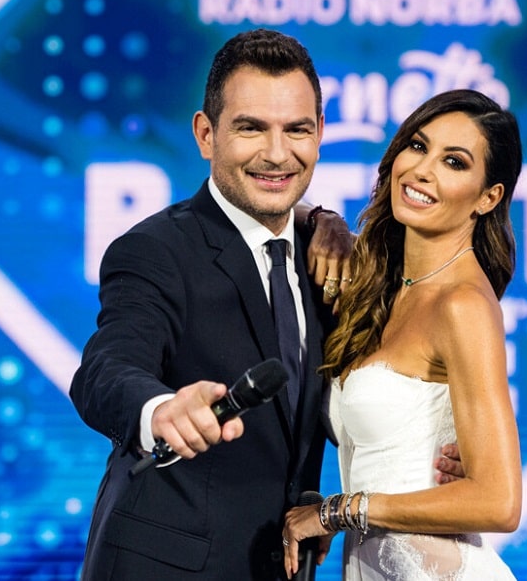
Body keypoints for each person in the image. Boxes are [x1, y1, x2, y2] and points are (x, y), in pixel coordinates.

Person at [69, 29, 462, 580]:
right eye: (250, 128)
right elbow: (106, 367)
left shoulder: (329, 258)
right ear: (206, 134)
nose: (277, 154)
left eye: (296, 129)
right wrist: (159, 411)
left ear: (320, 132)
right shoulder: (156, 250)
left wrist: (437, 453)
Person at [282, 89, 524, 580]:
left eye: (453, 162)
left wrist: (337, 512)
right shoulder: (386, 285)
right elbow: (276, 203)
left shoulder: (463, 305)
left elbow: (499, 501)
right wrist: (325, 220)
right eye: (418, 146)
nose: (422, 170)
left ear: (488, 197)